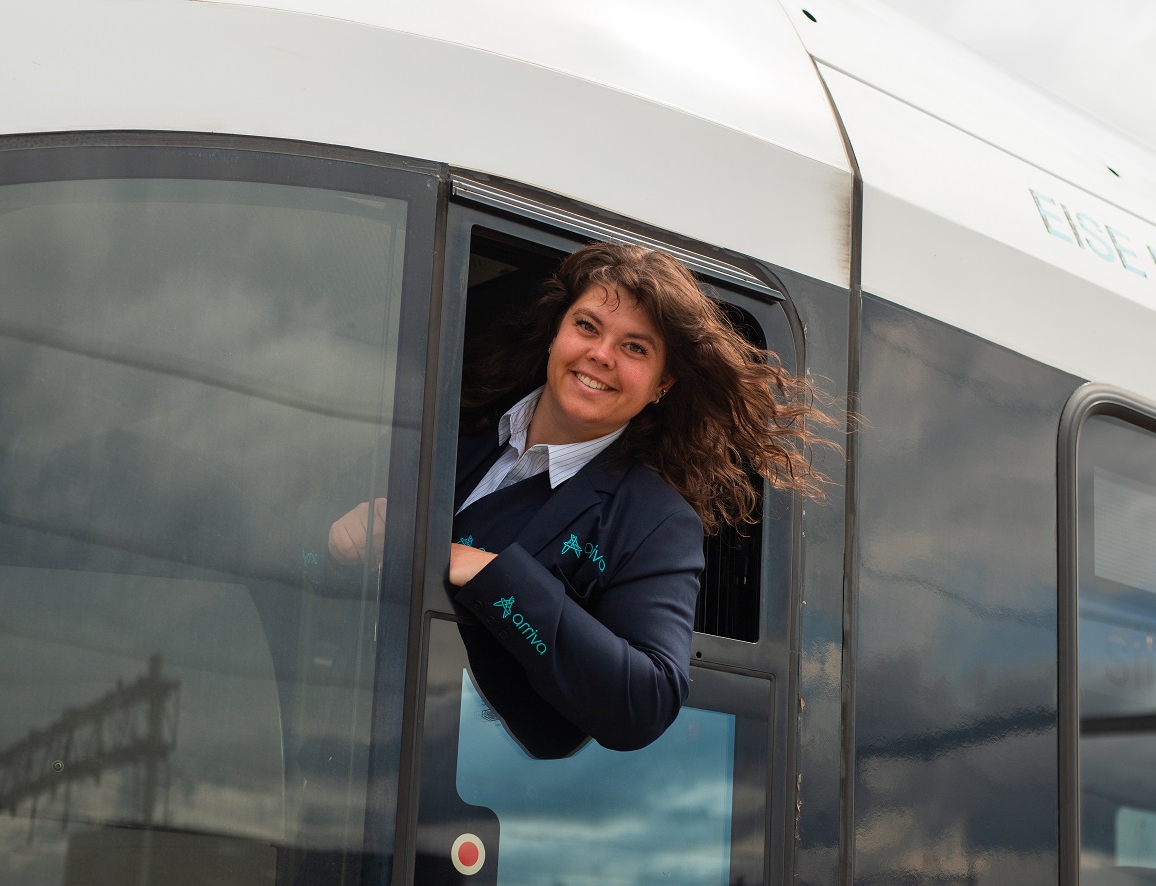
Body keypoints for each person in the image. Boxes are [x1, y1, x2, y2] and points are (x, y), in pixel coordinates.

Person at [329, 243, 833, 751]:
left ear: (662, 385)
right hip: (329, 712)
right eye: (587, 326)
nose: (601, 355)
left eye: (635, 348)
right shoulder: (455, 418)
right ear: (557, 332)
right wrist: (338, 539)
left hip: (448, 768)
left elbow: (646, 698)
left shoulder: (656, 522)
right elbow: (290, 521)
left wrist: (486, 572)